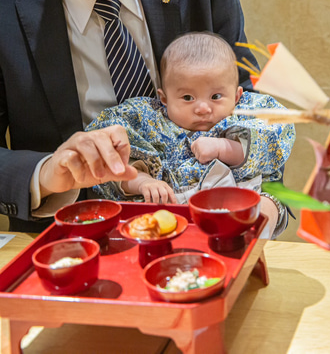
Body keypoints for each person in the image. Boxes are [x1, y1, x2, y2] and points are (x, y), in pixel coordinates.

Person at [0, 0, 287, 234]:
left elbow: (248, 105)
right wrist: (44, 174)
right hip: (69, 236)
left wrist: (267, 203)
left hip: (212, 226)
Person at [86, 32, 295, 233]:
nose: (203, 108)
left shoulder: (246, 111)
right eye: (187, 97)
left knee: (270, 204)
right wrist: (144, 182)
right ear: (164, 98)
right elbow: (111, 155)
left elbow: (277, 137)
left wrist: (226, 148)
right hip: (172, 210)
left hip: (240, 200)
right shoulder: (146, 118)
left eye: (216, 96)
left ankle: (250, 242)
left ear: (237, 95)